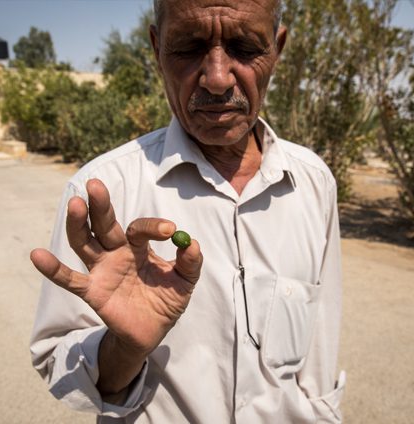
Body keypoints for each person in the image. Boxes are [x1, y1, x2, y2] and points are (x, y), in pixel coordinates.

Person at [30, 0, 346, 422]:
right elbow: (60, 364)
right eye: (189, 47)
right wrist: (125, 347)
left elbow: (319, 351)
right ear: (157, 49)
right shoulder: (107, 190)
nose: (217, 79)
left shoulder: (313, 182)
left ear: (277, 47)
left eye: (246, 47)